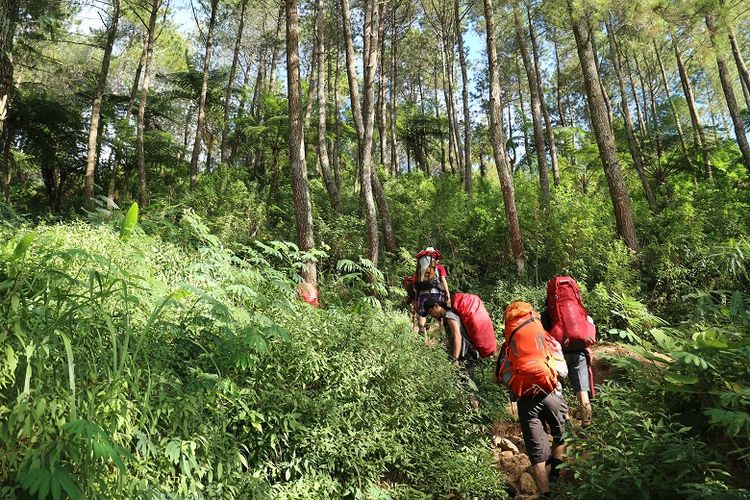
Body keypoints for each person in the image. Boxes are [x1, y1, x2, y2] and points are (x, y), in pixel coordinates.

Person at [496, 302, 568, 496]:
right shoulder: (547, 339)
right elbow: (563, 371)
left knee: (537, 458)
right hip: (552, 394)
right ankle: (556, 473)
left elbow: (502, 377)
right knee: (561, 435)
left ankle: (546, 495)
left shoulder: (508, 346)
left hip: (526, 401)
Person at [542, 277, 596, 427]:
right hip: (579, 351)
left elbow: (545, 334)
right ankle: (588, 424)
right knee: (582, 391)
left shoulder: (549, 312)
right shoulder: (579, 309)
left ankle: (564, 425)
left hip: (558, 354)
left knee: (559, 391)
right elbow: (589, 327)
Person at [423, 298, 479, 372]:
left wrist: (455, 359)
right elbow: (451, 338)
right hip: (462, 356)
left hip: (465, 356)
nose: (432, 315)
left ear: (436, 306)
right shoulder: (447, 317)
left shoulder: (450, 316)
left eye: (431, 312)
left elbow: (457, 336)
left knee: (465, 382)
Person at [414, 247, 451, 337]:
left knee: (423, 312)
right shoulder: (440, 267)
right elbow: (442, 279)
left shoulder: (420, 268)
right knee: (438, 311)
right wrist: (447, 293)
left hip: (423, 293)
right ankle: (440, 332)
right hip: (436, 292)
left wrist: (417, 296)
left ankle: (422, 327)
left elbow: (416, 283)